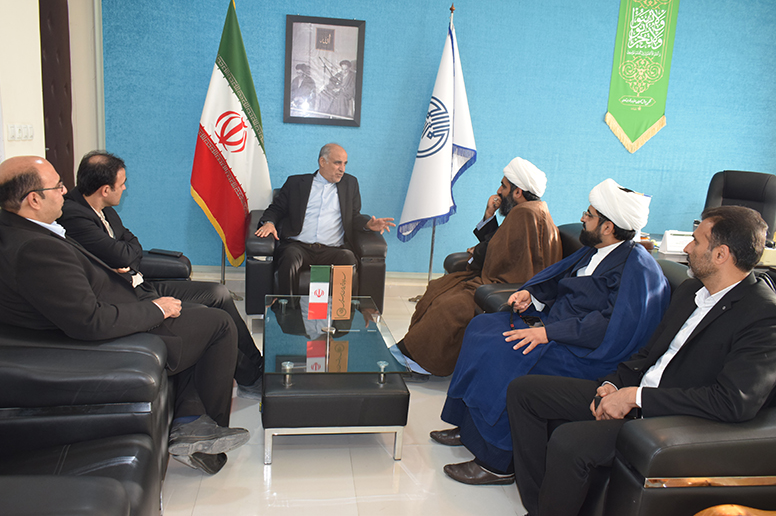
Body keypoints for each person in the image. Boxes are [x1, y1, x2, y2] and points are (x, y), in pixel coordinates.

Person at [0, 156, 250, 476]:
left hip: (111, 307)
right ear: (33, 199)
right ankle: (205, 439)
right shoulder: (33, 249)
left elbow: (74, 284)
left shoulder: (13, 228)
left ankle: (190, 421)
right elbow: (90, 321)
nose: (65, 191)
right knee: (218, 325)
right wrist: (156, 309)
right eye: (58, 186)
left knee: (201, 315)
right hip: (90, 341)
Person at [506, 205, 776, 516]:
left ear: (721, 254)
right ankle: (540, 505)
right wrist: (613, 384)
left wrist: (635, 398)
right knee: (524, 392)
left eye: (696, 241)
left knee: (569, 441)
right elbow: (649, 354)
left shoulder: (762, 315)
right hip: (635, 395)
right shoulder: (691, 291)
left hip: (672, 419)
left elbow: (732, 402)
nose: (687, 248)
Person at [434, 178, 670, 486]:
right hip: (554, 326)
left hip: (584, 350)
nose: (582, 218)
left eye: (589, 214)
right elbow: (557, 280)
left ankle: (497, 462)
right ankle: (468, 428)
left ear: (608, 227)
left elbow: (610, 325)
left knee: (507, 351)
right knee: (481, 327)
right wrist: (530, 295)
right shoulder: (595, 250)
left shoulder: (639, 268)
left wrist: (548, 333)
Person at [58, 150, 263, 399]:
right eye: (122, 184)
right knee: (214, 318)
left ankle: (257, 366)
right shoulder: (74, 215)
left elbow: (131, 244)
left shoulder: (105, 208)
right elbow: (123, 254)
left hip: (140, 282)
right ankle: (251, 379)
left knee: (218, 293)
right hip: (127, 293)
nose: (125, 188)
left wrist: (126, 255)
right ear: (105, 189)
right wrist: (125, 255)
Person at [394, 157, 562, 377]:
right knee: (439, 288)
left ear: (518, 192)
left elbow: (499, 253)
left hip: (509, 287)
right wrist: (488, 217)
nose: (499, 191)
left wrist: (479, 251)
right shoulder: (531, 210)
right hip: (505, 279)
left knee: (451, 305)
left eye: (503, 186)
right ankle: (412, 353)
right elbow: (504, 246)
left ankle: (418, 362)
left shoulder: (525, 214)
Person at [255, 143, 395, 295]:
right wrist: (269, 223)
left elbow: (354, 216)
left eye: (345, 163)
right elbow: (277, 209)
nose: (342, 169)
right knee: (289, 258)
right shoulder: (296, 183)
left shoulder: (350, 184)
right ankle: (288, 307)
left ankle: (342, 309)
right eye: (337, 163)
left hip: (333, 249)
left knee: (348, 258)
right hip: (299, 247)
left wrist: (368, 224)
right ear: (322, 162)